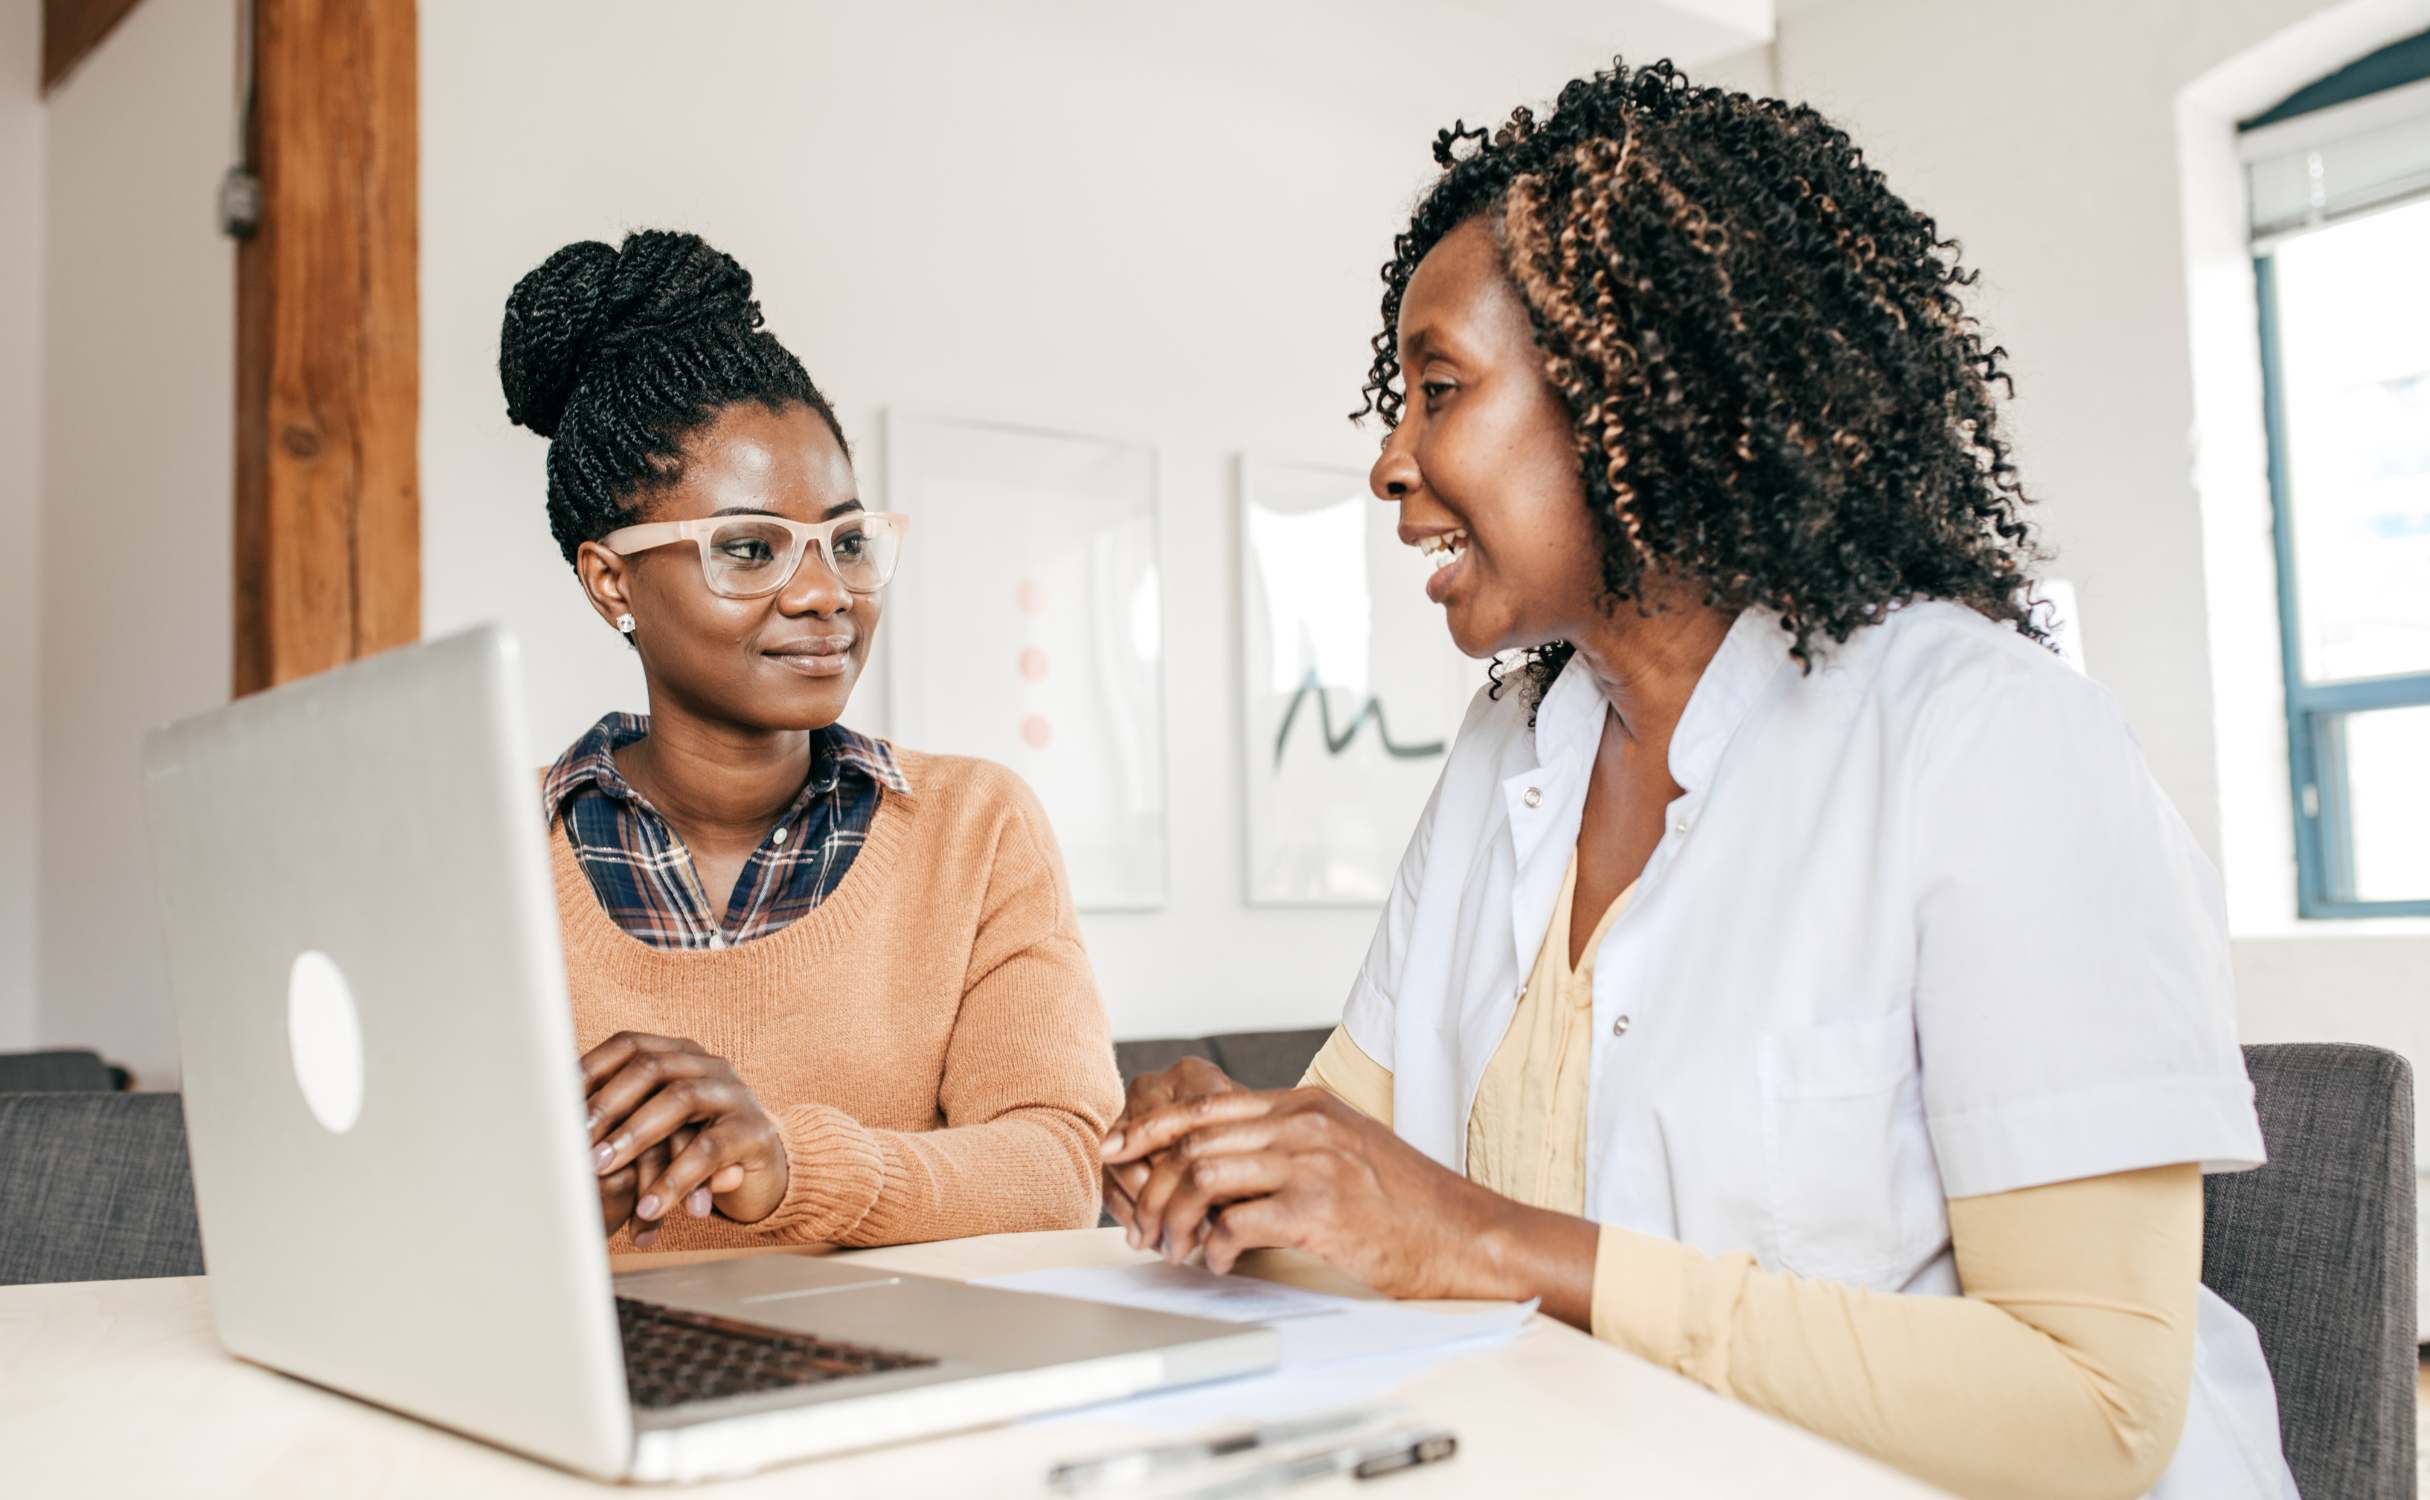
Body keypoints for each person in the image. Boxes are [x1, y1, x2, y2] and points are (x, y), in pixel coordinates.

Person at [1102, 63, 2295, 1500]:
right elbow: (1357, 1196)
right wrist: (1221, 1159)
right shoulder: (1508, 756)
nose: (1390, 462)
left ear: (1628, 391)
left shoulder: (1986, 740)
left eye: (1440, 392)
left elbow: (2093, 1413)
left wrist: (1477, 1238)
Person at [500, 229, 1121, 1255]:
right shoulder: (488, 848)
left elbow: (1059, 1168)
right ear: (610, 581)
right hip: (576, 1390)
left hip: (893, 1388)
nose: (826, 591)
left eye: (845, 540)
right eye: (748, 549)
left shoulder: (973, 828)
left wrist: (786, 1164)